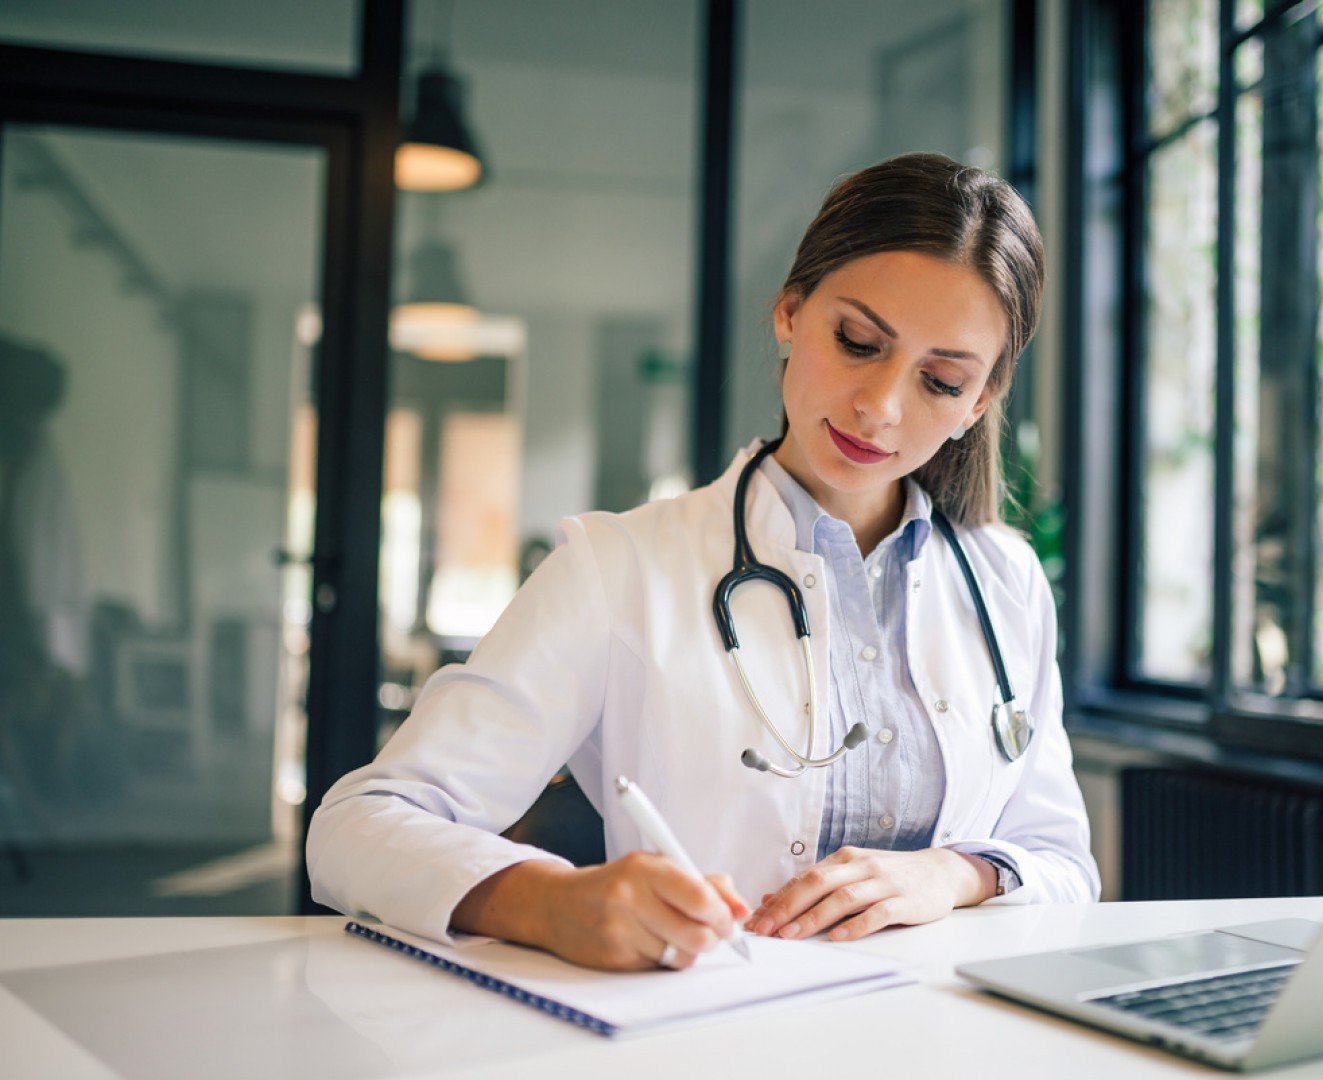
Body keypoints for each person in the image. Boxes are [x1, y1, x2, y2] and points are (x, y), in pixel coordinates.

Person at [308, 152, 1100, 972]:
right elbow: (357, 828)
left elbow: (1063, 865)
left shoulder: (1006, 585)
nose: (881, 406)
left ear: (979, 404)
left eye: (939, 381)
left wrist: (955, 873)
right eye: (857, 341)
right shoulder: (617, 568)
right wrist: (550, 902)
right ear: (789, 311)